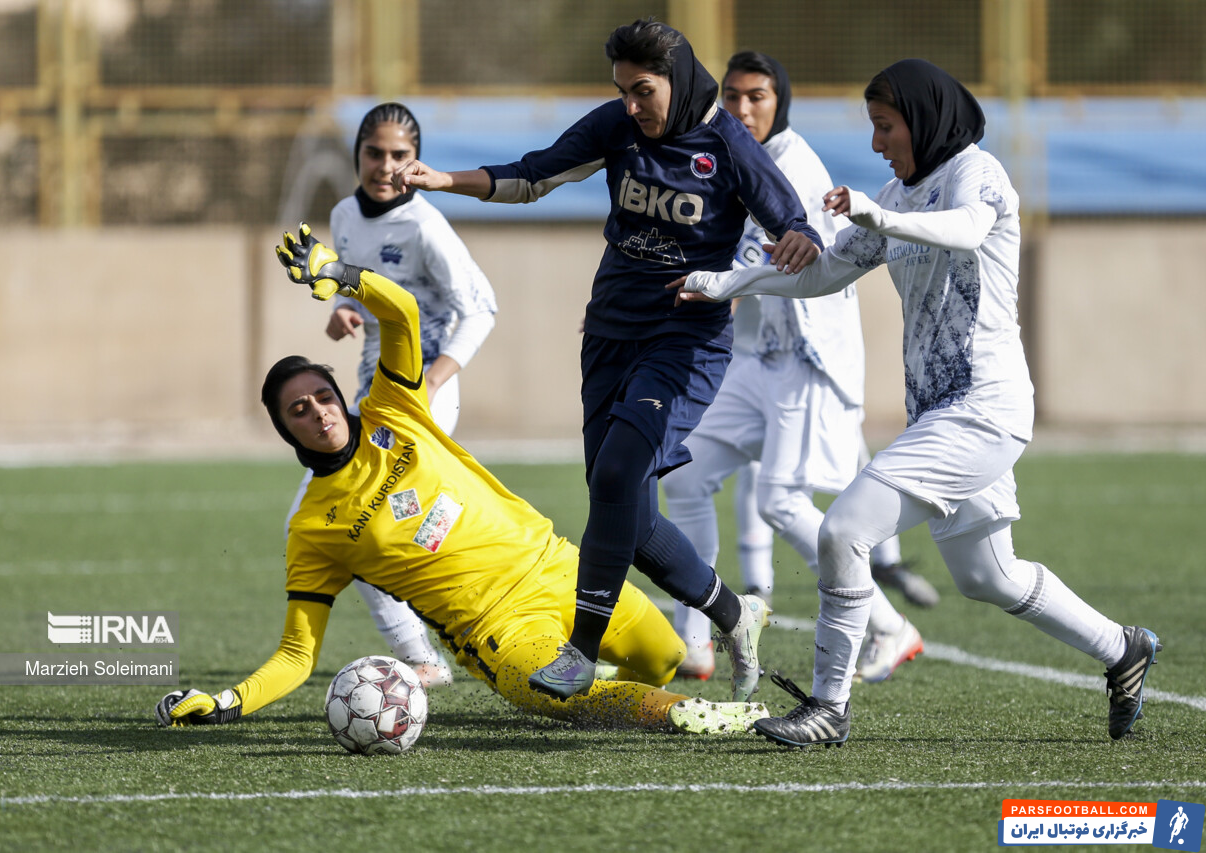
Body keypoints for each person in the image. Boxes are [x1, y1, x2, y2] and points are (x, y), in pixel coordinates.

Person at [672, 59, 1160, 745]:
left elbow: (964, 229)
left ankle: (829, 707)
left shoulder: (974, 172)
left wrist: (875, 212)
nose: (877, 143)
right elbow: (827, 269)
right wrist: (729, 283)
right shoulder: (898, 190)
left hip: (982, 407)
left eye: (885, 126)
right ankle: (1123, 647)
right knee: (990, 575)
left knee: (843, 530)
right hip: (940, 411)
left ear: (924, 120)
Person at [153, 224, 769, 736]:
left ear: (342, 396)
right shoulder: (313, 528)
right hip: (497, 631)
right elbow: (296, 655)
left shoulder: (392, 410)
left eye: (322, 396)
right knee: (564, 697)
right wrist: (229, 701)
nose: (318, 412)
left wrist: (341, 275)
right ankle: (689, 716)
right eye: (298, 411)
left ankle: (650, 689)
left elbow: (402, 313)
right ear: (284, 431)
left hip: (560, 570)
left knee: (662, 656)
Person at [390, 19, 823, 703]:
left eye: (642, 90)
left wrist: (798, 240)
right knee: (625, 504)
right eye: (621, 90)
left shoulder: (727, 143)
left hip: (686, 341)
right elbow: (533, 176)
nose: (630, 105)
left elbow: (792, 221)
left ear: (676, 80)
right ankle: (738, 616)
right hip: (609, 333)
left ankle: (580, 650)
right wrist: (442, 178)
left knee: (620, 471)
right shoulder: (617, 127)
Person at [663, 51, 932, 686]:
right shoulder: (722, 156)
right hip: (755, 359)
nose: (743, 108)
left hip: (808, 359)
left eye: (758, 96)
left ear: (780, 100)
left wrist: (706, 283)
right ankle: (694, 639)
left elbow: (795, 264)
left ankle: (891, 626)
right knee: (682, 471)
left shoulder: (796, 166)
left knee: (782, 501)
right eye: (732, 96)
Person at [292, 102, 499, 690]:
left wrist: (433, 380)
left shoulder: (426, 226)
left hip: (424, 395)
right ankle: (447, 645)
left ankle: (429, 653)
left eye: (400, 156)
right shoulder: (343, 214)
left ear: (416, 161)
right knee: (377, 526)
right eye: (374, 153)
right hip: (370, 391)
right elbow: (356, 289)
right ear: (357, 154)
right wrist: (342, 312)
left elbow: (481, 308)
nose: (386, 166)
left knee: (354, 522)